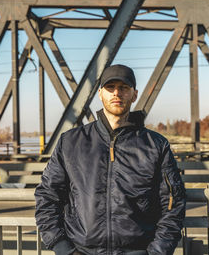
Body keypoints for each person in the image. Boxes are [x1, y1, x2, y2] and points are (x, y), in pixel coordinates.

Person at [35, 64, 186, 255]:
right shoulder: (70, 142)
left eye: (124, 88)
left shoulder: (156, 145)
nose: (117, 93)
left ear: (134, 94)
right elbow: (47, 197)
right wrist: (63, 248)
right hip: (82, 251)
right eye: (110, 87)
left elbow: (173, 204)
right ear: (100, 94)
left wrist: (157, 252)